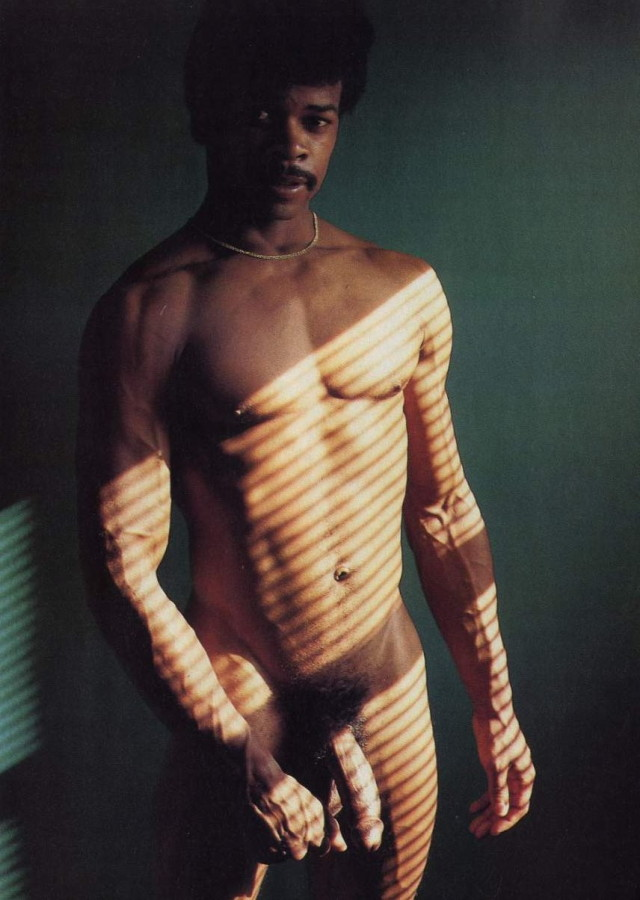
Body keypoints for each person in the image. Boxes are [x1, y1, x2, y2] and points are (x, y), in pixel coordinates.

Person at [76, 2, 535, 898]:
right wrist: (237, 755)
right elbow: (121, 565)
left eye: (315, 120)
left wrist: (496, 707)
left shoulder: (402, 292)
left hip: (383, 680)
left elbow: (444, 513)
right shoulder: (147, 314)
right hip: (238, 695)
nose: (291, 144)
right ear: (210, 116)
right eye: (261, 116)